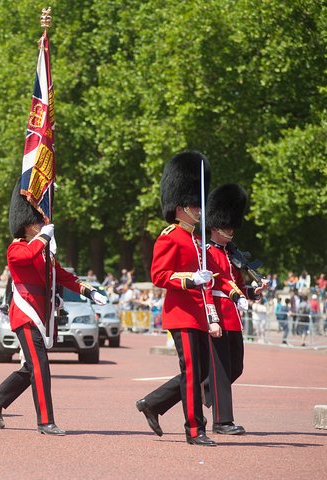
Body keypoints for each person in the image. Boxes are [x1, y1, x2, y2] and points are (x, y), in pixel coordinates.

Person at [0, 181, 107, 436]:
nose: (42, 225)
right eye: (38, 222)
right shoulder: (17, 247)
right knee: (40, 365)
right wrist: (43, 238)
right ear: (27, 225)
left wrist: (89, 290)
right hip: (25, 313)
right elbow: (26, 258)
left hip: (42, 314)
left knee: (31, 366)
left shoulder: (44, 252)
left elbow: (62, 276)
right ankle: (45, 420)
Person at [135, 151, 225, 447]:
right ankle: (195, 429)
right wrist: (188, 279)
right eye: (192, 205)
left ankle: (153, 404)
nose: (198, 210)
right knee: (191, 373)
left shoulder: (197, 240)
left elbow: (208, 283)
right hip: (180, 315)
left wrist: (212, 314)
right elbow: (159, 275)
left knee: (199, 373)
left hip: (198, 315)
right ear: (179, 208)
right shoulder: (170, 237)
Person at [203, 183, 266, 435]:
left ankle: (173, 397)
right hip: (218, 316)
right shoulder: (206, 252)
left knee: (235, 368)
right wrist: (212, 318)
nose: (231, 230)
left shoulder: (231, 255)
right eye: (227, 226)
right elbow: (208, 287)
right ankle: (222, 421)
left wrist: (253, 292)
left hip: (233, 318)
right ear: (216, 227)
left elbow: (238, 287)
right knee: (219, 372)